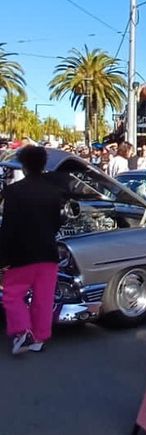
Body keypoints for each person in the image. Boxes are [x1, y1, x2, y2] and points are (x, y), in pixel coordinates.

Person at [0, 145, 67, 354]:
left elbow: (8, 227)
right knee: (43, 298)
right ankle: (39, 337)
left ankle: (22, 330)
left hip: (22, 253)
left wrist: (2, 256)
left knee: (11, 295)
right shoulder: (55, 192)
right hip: (48, 251)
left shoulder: (13, 191)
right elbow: (57, 223)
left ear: (23, 165)